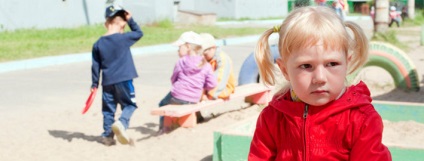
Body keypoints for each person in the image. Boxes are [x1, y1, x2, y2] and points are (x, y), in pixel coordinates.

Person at [248, 6, 392, 160]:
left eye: (332, 64)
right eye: (306, 66)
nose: (320, 77)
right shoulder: (273, 118)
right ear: (284, 70)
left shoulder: (360, 119)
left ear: (347, 64)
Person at [91, 5, 143, 146]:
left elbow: (95, 66)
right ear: (122, 22)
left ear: (106, 23)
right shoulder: (124, 38)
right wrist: (131, 20)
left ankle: (107, 137)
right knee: (130, 105)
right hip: (124, 80)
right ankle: (121, 123)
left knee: (108, 110)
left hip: (107, 82)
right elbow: (139, 33)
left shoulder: (98, 44)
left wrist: (94, 84)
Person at [157, 31, 217, 134]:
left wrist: (178, 86)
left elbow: (173, 79)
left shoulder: (181, 61)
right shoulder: (206, 64)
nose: (178, 50)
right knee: (185, 100)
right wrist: (202, 86)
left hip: (177, 96)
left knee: (162, 104)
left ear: (188, 46)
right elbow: (212, 84)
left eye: (179, 47)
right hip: (194, 98)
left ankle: (163, 128)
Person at [199, 33, 236, 101]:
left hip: (223, 88)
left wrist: (210, 95)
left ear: (213, 48)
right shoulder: (205, 58)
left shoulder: (222, 59)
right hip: (209, 87)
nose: (202, 56)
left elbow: (220, 79)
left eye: (204, 53)